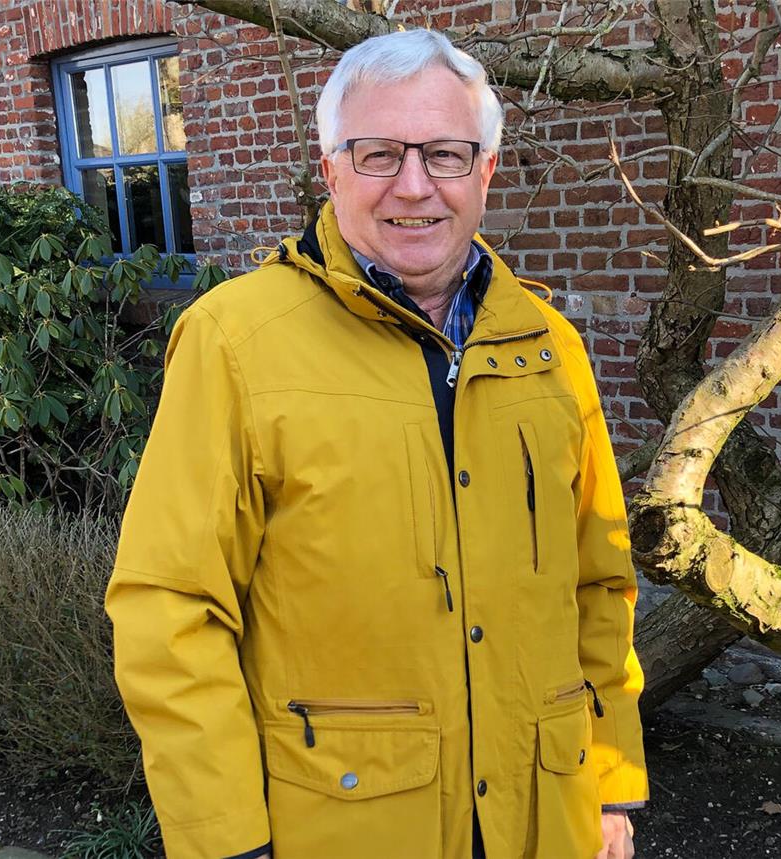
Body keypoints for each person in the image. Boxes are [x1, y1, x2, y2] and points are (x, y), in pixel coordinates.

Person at [106, 28, 647, 859]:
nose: (415, 185)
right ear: (330, 170)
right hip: (342, 827)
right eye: (379, 153)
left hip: (545, 817)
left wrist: (611, 782)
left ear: (486, 170)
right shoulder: (235, 342)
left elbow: (599, 584)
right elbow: (169, 606)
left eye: (446, 154)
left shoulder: (551, 349)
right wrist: (226, 841)